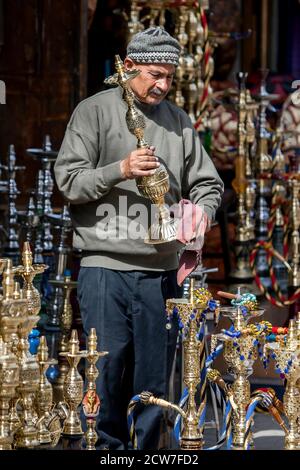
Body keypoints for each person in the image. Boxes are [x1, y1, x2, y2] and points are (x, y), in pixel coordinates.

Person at [54, 26, 223, 450]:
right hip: (105, 267)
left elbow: (208, 184)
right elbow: (69, 183)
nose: (163, 85)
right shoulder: (93, 112)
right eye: (154, 74)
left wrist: (200, 212)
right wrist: (121, 169)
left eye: (169, 76)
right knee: (106, 379)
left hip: (160, 273)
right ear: (129, 67)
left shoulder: (179, 121)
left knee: (154, 388)